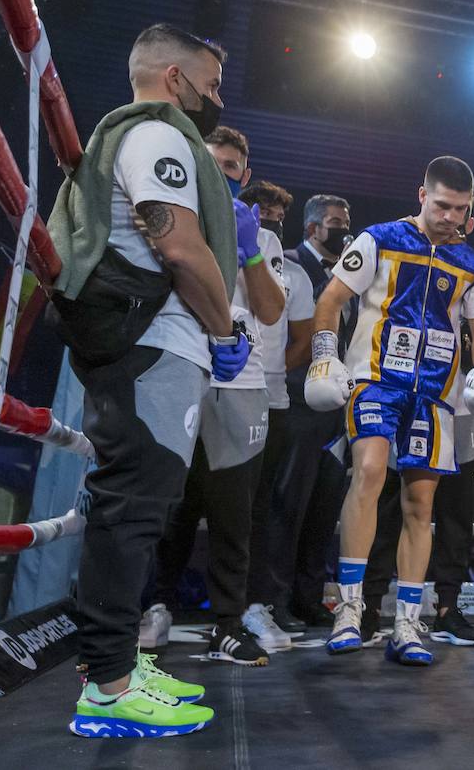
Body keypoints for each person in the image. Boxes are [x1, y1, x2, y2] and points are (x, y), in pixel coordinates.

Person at [47, 23, 249, 736]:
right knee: (131, 511)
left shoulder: (144, 135)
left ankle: (120, 666)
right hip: (153, 341)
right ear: (174, 78)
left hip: (150, 343)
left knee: (137, 508)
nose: (216, 97)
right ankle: (107, 687)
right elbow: (179, 245)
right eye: (211, 83)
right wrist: (227, 327)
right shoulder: (161, 135)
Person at [308, 156, 474, 667]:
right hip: (374, 379)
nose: (450, 217)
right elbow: (329, 302)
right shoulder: (377, 239)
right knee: (369, 471)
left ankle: (407, 623)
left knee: (421, 505)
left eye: (460, 209)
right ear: (422, 196)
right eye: (442, 205)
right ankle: (349, 609)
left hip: (434, 394)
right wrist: (326, 356)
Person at [145, 126, 286, 666]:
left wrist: (250, 250)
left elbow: (271, 313)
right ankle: (155, 604)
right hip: (177, 373)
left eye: (231, 167)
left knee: (234, 512)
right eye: (213, 164)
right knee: (169, 504)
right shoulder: (168, 221)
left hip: (241, 386)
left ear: (244, 176)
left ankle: (228, 623)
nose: (222, 174)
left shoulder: (265, 238)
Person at [361, 216, 474, 649]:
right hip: (409, 397)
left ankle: (448, 605)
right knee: (390, 500)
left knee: (457, 508)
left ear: (471, 223)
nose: (450, 228)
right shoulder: (411, 262)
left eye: (460, 220)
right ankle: (369, 605)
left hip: (460, 407)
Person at [269, 194, 355, 627]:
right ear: (312, 229)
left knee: (324, 506)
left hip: (335, 407)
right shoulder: (286, 263)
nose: (344, 229)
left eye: (346, 221)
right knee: (288, 505)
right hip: (296, 400)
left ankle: (308, 596)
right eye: (336, 222)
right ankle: (276, 600)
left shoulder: (351, 275)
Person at [240, 180, 317, 639]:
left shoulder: (295, 273)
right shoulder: (216, 247)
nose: (269, 218)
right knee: (190, 501)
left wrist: (267, 370)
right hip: (216, 389)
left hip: (272, 399)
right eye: (262, 209)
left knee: (265, 506)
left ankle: (257, 603)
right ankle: (161, 601)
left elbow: (304, 339)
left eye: (276, 214)